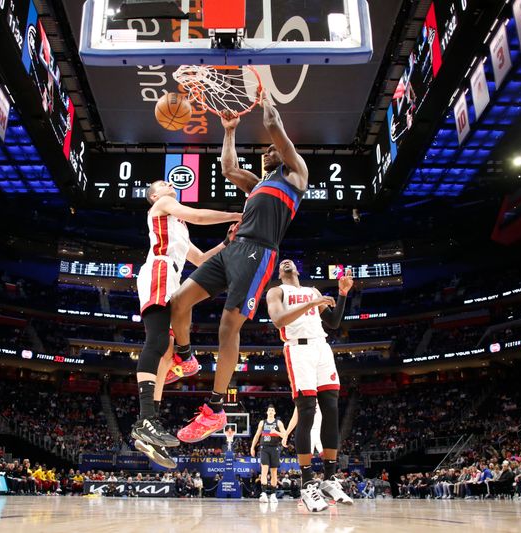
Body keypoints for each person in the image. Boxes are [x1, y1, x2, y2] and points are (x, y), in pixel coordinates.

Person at [171, 92, 309, 443]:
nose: (267, 152)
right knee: (178, 303)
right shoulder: (257, 183)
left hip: (259, 253)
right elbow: (228, 168)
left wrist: (265, 99)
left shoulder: (295, 175)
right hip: (232, 248)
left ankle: (215, 409)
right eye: (264, 151)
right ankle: (186, 358)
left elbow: (273, 125)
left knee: (227, 328)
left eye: (271, 150)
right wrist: (230, 130)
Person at [130, 179, 241, 468]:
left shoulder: (178, 223)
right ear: (154, 196)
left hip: (172, 274)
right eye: (162, 184)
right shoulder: (162, 205)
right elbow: (200, 215)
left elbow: (201, 258)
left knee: (166, 352)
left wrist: (227, 242)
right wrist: (233, 214)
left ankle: (149, 428)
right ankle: (145, 420)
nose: (169, 184)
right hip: (159, 269)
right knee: (156, 342)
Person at [267, 260, 354, 511]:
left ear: (297, 270)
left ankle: (329, 478)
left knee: (331, 408)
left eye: (290, 261)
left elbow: (334, 322)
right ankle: (307, 484)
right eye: (282, 262)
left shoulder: (313, 291)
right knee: (306, 411)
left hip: (321, 347)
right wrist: (312, 304)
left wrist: (343, 293)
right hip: (298, 349)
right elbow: (278, 320)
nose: (286, 262)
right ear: (279, 273)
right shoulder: (277, 292)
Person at [249, 404, 286, 503]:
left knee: (274, 472)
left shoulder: (278, 423)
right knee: (264, 470)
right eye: (269, 410)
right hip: (264, 448)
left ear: (274, 412)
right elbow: (257, 435)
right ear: (267, 412)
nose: (270, 412)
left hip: (275, 448)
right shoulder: (262, 423)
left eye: (272, 410)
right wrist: (252, 447)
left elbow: (285, 435)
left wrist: (276, 432)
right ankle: (264, 493)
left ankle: (273, 495)